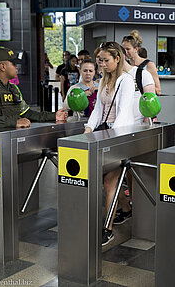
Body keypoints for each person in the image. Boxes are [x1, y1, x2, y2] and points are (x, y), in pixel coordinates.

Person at [84, 42, 135, 246]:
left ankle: (108, 229)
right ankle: (127, 209)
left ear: (117, 59)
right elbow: (98, 111)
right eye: (100, 60)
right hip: (104, 133)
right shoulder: (105, 80)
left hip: (118, 135)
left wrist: (112, 139)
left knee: (109, 182)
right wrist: (88, 129)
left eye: (106, 60)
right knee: (105, 178)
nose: (102, 64)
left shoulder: (126, 81)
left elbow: (123, 114)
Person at [112, 46, 156, 225]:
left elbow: (151, 100)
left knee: (135, 169)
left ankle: (139, 209)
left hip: (139, 129)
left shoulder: (142, 74)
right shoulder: (114, 77)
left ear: (119, 57)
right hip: (119, 128)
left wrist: (147, 123)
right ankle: (128, 207)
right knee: (123, 169)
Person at [0, 47, 68, 128]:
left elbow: (27, 113)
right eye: (14, 64)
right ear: (2, 67)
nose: (17, 67)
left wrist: (54, 116)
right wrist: (14, 122)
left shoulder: (13, 88)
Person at [122, 30, 161, 96]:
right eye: (123, 49)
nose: (125, 52)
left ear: (136, 49)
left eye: (128, 49)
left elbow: (158, 90)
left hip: (142, 103)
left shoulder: (149, 65)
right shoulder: (124, 65)